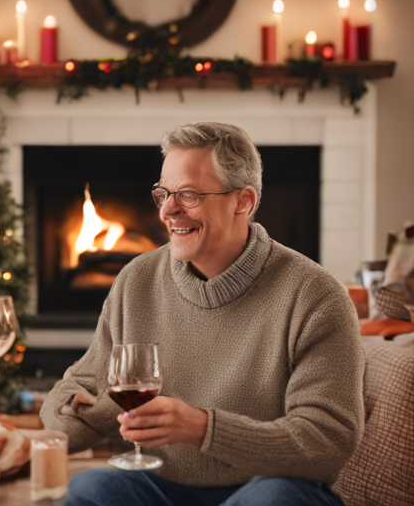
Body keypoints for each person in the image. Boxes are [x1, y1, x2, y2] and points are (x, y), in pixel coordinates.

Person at [41, 121, 365, 506]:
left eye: (189, 195)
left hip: (268, 488)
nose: (168, 210)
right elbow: (72, 397)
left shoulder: (314, 295)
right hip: (162, 488)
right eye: (163, 193)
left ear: (243, 202)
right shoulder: (137, 280)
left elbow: (326, 444)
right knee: (89, 490)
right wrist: (99, 410)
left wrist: (202, 428)